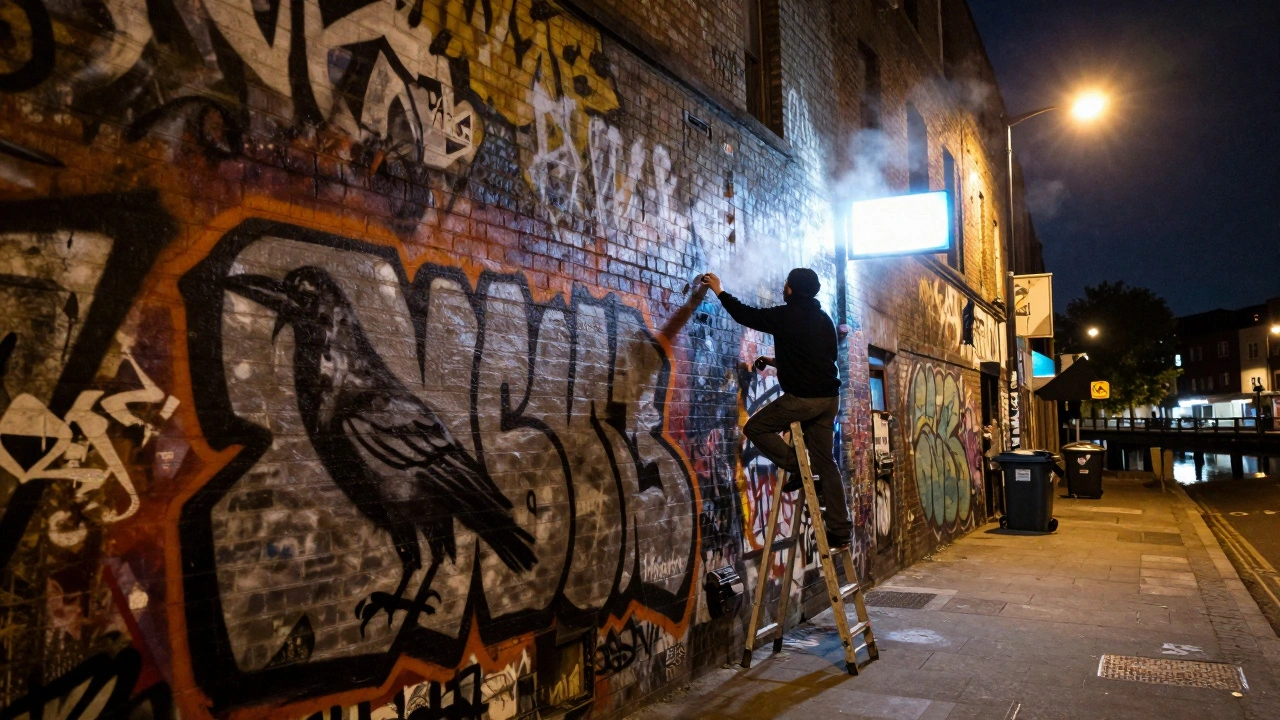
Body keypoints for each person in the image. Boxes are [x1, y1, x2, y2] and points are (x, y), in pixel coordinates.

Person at [701, 268, 852, 547]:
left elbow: (746, 314)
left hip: (803, 399)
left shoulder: (786, 316)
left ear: (792, 289)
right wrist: (774, 362)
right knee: (827, 462)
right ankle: (841, 532)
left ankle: (798, 467)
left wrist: (719, 289)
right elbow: (818, 361)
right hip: (829, 398)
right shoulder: (824, 320)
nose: (784, 287)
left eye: (787, 284)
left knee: (756, 427)